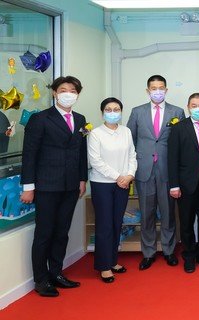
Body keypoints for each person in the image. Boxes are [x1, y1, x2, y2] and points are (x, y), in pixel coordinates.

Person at [20, 76, 88, 297]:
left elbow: (80, 152)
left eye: (72, 90)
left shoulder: (79, 119)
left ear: (78, 94)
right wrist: (28, 187)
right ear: (54, 93)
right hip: (46, 185)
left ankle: (57, 273)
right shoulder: (40, 119)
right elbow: (29, 155)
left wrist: (81, 179)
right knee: (44, 233)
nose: (68, 94)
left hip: (70, 185)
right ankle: (41, 280)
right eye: (63, 90)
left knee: (62, 232)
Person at [127, 75, 185, 270]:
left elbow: (180, 142)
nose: (157, 91)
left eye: (161, 88)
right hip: (144, 170)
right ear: (148, 90)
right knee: (147, 213)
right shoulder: (137, 112)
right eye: (154, 88)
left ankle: (169, 251)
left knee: (168, 213)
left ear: (166, 90)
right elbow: (130, 142)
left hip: (168, 171)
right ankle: (148, 252)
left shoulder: (177, 112)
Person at [167, 93, 199, 273]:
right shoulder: (179, 128)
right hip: (186, 183)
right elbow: (172, 158)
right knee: (187, 222)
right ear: (188, 107)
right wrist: (174, 185)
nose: (198, 108)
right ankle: (189, 255)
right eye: (194, 105)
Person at [88, 97, 137, 283]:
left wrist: (130, 175)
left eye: (116, 109)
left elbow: (133, 155)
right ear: (102, 113)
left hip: (123, 183)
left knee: (117, 222)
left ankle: (113, 260)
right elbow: (96, 161)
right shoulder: (95, 134)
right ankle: (103, 266)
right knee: (105, 224)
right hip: (103, 184)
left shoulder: (126, 131)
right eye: (108, 109)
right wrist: (119, 177)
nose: (113, 112)